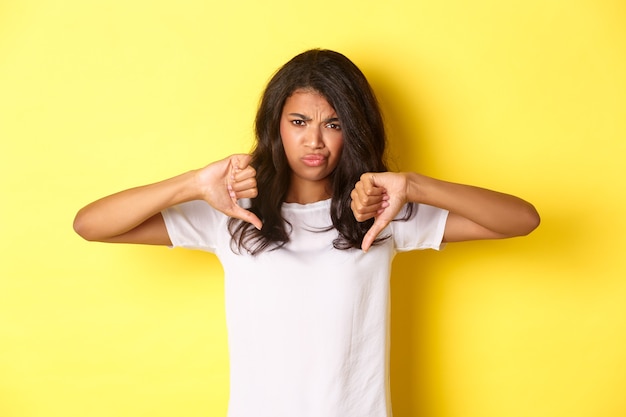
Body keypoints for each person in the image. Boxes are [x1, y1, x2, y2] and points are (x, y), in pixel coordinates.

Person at [73, 49, 540, 417]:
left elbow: (521, 220)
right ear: (276, 126)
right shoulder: (231, 212)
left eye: (332, 124)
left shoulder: (379, 215)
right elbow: (91, 225)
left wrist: (414, 185)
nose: (314, 141)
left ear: (352, 132)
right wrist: (193, 183)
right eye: (299, 122)